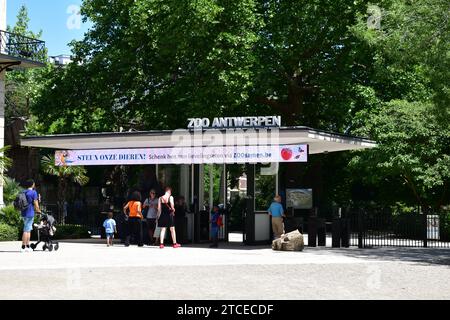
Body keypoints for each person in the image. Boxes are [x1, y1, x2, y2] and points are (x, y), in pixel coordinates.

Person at [20, 179, 41, 252]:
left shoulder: (23, 192)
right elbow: (35, 202)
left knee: (27, 229)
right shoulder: (33, 192)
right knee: (27, 230)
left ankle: (27, 246)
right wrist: (38, 210)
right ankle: (24, 247)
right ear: (32, 184)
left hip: (23, 213)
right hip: (30, 212)